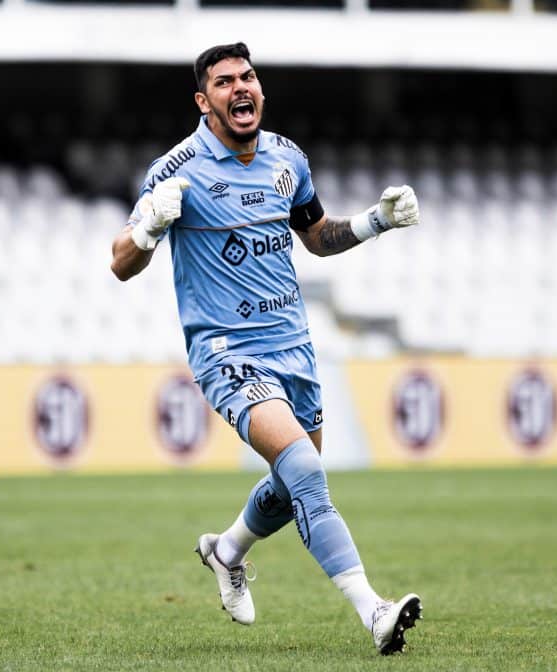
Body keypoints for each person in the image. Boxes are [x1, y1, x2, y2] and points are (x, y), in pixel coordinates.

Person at [111, 42, 422, 655]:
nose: (240, 88)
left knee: (290, 486)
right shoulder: (176, 169)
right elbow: (121, 262)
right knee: (306, 471)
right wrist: (148, 227)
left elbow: (317, 237)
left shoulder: (287, 158)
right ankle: (374, 611)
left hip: (295, 349)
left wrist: (375, 221)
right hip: (228, 353)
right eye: (224, 82)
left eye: (247, 77)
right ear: (204, 102)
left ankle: (226, 550)